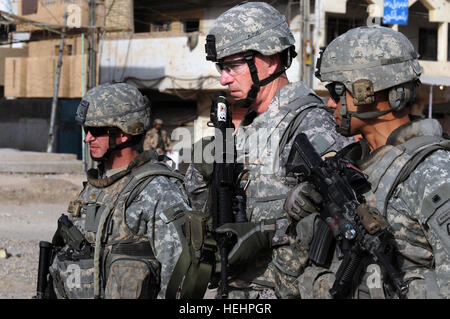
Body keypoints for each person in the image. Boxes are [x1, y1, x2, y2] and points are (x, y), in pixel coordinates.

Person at [176, 1, 352, 299]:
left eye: (233, 66)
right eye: (222, 67)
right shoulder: (246, 127)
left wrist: (266, 232)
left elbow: (339, 220)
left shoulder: (309, 124)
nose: (224, 78)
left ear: (270, 60)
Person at [284, 25, 450, 299]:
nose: (331, 104)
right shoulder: (351, 164)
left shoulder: (434, 173)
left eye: (338, 92)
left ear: (367, 92)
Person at [47, 83, 190, 299]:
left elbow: (180, 280)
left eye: (95, 130)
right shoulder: (96, 188)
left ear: (123, 133)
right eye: (86, 130)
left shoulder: (158, 191)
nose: (87, 138)